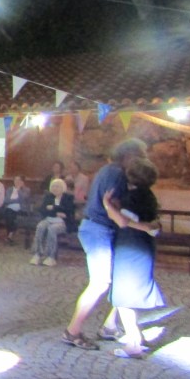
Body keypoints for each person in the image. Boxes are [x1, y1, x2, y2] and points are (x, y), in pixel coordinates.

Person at [63, 138, 148, 350]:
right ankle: (72, 331)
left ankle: (110, 326)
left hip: (98, 228)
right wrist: (141, 224)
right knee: (100, 283)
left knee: (119, 280)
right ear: (129, 156)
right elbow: (113, 207)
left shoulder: (108, 170)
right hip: (98, 229)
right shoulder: (117, 173)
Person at [104, 158, 165, 359]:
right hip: (145, 246)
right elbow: (152, 223)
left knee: (124, 296)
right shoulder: (150, 196)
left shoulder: (132, 198)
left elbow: (123, 221)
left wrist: (108, 205)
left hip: (130, 246)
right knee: (131, 292)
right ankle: (135, 336)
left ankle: (133, 343)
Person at [30, 178, 75, 266]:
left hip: (62, 222)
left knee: (52, 229)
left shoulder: (68, 198)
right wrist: (57, 212)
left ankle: (51, 256)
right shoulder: (48, 197)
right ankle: (37, 254)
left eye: (57, 186)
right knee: (40, 226)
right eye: (53, 186)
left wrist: (53, 208)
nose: (55, 188)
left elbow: (69, 211)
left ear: (62, 188)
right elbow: (42, 210)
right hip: (48, 219)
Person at [2, 175, 33, 243]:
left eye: (19, 180)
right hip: (10, 208)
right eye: (15, 180)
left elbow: (23, 198)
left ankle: (10, 235)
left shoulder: (27, 189)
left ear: (22, 181)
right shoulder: (10, 189)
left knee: (11, 215)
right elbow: (6, 200)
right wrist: (16, 200)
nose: (17, 182)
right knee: (9, 213)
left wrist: (18, 190)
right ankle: (10, 235)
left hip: (22, 209)